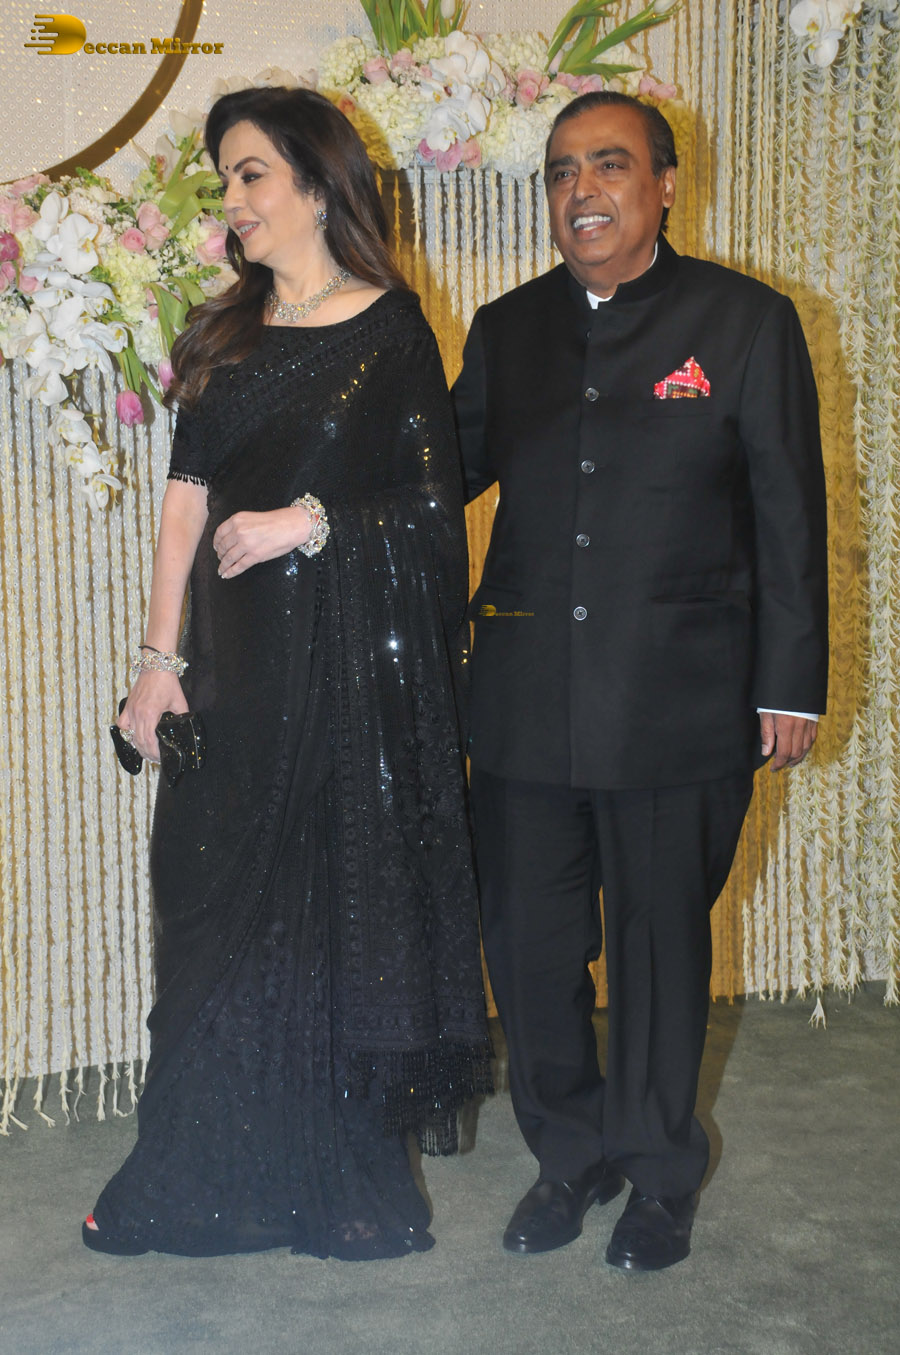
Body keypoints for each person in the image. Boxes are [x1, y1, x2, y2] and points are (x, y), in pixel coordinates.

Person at [84, 86, 491, 1260]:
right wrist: (156, 664)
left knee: (331, 926)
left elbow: (433, 516)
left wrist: (307, 522)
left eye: (250, 173)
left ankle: (336, 1185)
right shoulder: (224, 335)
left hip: (349, 691)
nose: (232, 199)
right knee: (207, 918)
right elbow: (182, 510)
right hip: (233, 678)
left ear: (317, 184)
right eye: (225, 178)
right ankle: (193, 1179)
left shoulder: (393, 331)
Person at [452, 91, 828, 1271]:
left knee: (661, 951)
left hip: (679, 703)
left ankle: (660, 1173)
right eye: (563, 171)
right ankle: (570, 1154)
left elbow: (789, 513)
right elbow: (431, 480)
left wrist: (791, 683)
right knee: (528, 946)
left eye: (609, 165)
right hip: (523, 702)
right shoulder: (506, 329)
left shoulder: (746, 321)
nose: (583, 190)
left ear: (665, 183)